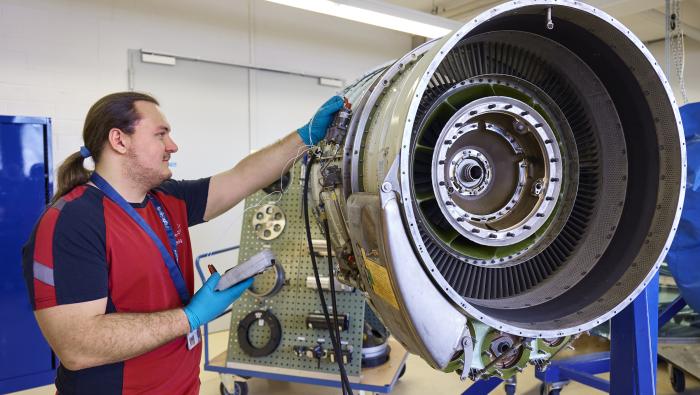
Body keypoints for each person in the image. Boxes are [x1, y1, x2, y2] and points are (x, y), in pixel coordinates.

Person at [22, 91, 344, 394]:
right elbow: (78, 346)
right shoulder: (72, 222)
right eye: (160, 134)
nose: (172, 145)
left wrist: (305, 137)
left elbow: (243, 177)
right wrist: (189, 317)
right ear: (119, 140)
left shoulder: (166, 199)